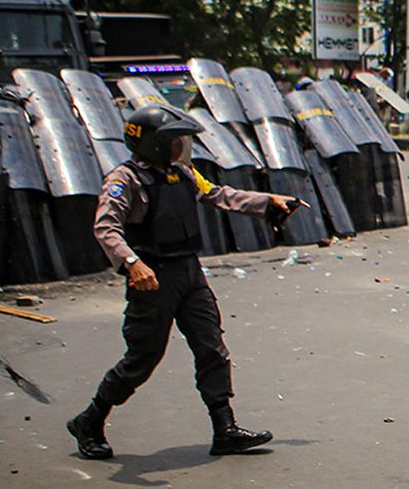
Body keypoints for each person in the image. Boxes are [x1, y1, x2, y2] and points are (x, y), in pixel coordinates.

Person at [68, 104, 307, 460]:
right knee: (143, 358)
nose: (183, 146)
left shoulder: (182, 173)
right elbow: (106, 228)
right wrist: (132, 263)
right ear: (155, 143)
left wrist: (268, 201)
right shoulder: (125, 179)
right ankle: (90, 419)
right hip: (152, 279)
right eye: (177, 139)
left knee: (211, 347)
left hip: (189, 274)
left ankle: (224, 428)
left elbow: (219, 195)